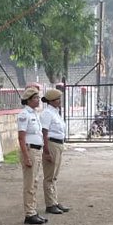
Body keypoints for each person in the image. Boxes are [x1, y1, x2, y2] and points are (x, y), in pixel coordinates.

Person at [17, 86, 47, 225]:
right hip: (30, 150)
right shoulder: (24, 114)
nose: (38, 100)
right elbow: (21, 137)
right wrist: (26, 156)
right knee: (29, 183)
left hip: (37, 150)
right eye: (35, 98)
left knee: (34, 182)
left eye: (38, 97)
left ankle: (33, 210)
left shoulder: (34, 113)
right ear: (28, 100)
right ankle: (29, 213)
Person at [40, 87, 70, 216]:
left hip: (58, 144)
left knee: (54, 176)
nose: (60, 101)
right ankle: (50, 204)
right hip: (51, 144)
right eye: (58, 99)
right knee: (49, 176)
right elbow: (44, 132)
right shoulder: (47, 113)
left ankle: (54, 201)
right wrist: (46, 151)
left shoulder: (55, 112)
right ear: (51, 100)